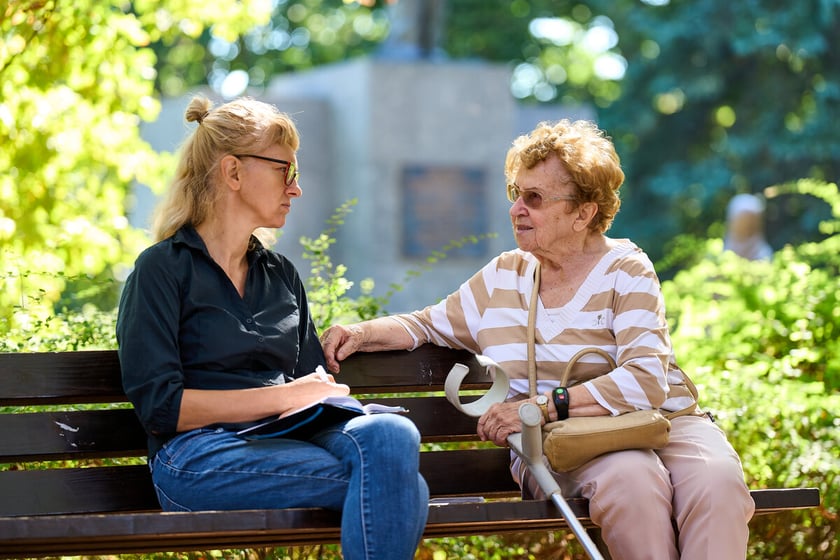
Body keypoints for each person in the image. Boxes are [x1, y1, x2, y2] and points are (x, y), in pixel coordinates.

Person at [321, 120, 755, 559]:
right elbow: (425, 325)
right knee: (633, 483)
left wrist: (540, 405)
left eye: (534, 198)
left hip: (664, 421)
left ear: (583, 213)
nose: (516, 209)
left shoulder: (626, 269)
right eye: (516, 193)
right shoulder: (503, 277)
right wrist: (359, 332)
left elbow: (645, 381)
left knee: (718, 482)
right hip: (560, 438)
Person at [116, 96, 428, 560]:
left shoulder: (280, 273)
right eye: (285, 170)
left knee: (393, 436)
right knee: (402, 486)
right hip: (198, 458)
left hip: (288, 440)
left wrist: (323, 399)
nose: (295, 188)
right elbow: (162, 409)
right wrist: (284, 397)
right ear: (233, 172)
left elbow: (312, 392)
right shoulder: (161, 270)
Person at [724, 192, 774, 260]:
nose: (747, 225)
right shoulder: (720, 252)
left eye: (751, 221)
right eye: (743, 220)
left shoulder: (763, 254)